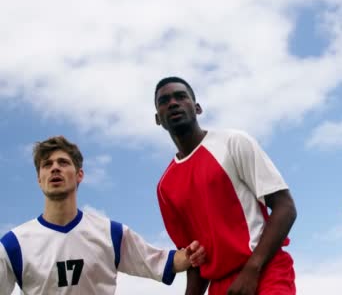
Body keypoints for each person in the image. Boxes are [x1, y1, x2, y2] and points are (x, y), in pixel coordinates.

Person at [0, 136, 205, 295]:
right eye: (47, 164)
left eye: (63, 163)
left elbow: (161, 262)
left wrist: (192, 253)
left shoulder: (110, 233)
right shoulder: (13, 244)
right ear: (39, 179)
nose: (55, 168)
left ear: (79, 174)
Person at [154, 77, 297, 295]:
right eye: (164, 101)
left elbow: (285, 207)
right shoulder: (165, 187)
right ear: (158, 119)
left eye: (181, 97)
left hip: (263, 268)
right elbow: (194, 259)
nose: (173, 103)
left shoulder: (233, 142)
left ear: (197, 108)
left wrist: (252, 270)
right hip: (220, 285)